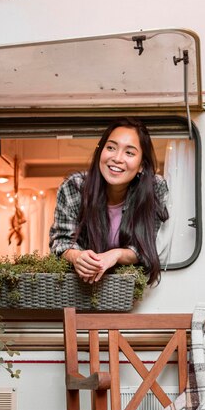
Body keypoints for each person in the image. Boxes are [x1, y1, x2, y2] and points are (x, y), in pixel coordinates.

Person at [49, 117, 169, 285]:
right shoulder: (74, 187)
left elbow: (153, 245)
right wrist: (77, 257)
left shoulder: (155, 188)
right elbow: (60, 241)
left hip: (135, 291)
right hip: (84, 289)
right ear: (100, 152)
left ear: (141, 164)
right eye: (111, 148)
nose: (117, 158)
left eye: (129, 152)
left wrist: (117, 255)